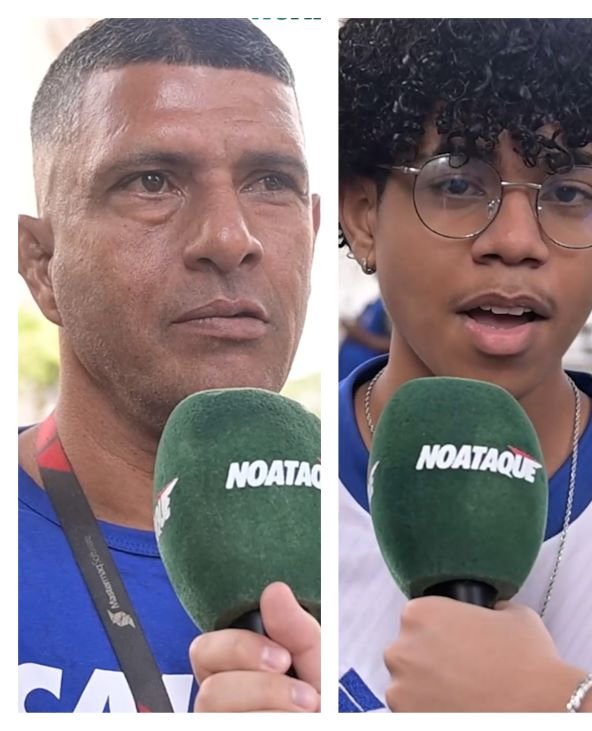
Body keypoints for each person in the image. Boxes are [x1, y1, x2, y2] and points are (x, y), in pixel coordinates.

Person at [17, 19, 322, 713]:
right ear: (42, 264)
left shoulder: (396, 541)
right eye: (152, 181)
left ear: (311, 225)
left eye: (270, 182)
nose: (228, 237)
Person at [337, 18, 592, 712]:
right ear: (361, 215)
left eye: (567, 194)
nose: (514, 241)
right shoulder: (275, 507)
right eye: (457, 185)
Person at [339, 297, 390, 380]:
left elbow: (392, 345)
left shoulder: (390, 305)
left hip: (365, 372)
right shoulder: (374, 302)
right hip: (347, 371)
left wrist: (360, 335)